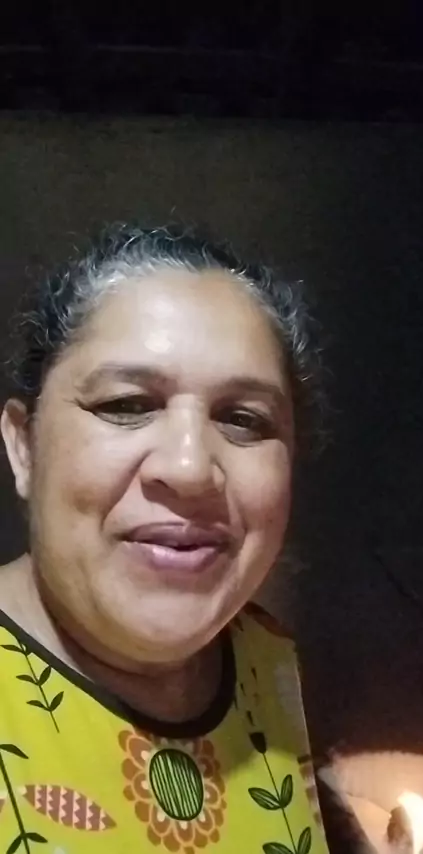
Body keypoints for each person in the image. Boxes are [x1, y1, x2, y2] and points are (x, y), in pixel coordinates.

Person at [0, 224, 328, 854]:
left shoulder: (267, 664)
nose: (188, 467)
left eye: (244, 419)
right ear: (24, 446)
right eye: (126, 405)